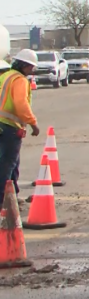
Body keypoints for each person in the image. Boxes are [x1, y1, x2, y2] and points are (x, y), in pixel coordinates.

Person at [0, 50, 41, 199]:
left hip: (2, 125)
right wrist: (33, 123)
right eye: (31, 67)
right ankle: (4, 199)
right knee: (7, 163)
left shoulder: (4, 76)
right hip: (10, 126)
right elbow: (20, 103)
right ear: (24, 66)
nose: (32, 70)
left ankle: (12, 195)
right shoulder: (20, 80)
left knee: (11, 163)